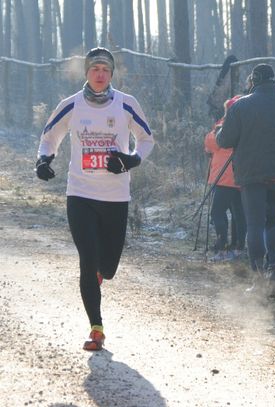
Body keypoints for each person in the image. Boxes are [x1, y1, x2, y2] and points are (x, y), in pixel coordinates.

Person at [35, 47, 154, 350]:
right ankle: (96, 329)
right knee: (87, 260)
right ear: (87, 73)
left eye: (105, 70)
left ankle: (101, 274)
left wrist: (130, 160)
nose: (100, 74)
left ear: (111, 74)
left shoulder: (126, 104)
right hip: (81, 194)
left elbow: (146, 139)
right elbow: (50, 136)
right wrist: (44, 160)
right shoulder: (71, 105)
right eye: (94, 69)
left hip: (115, 196)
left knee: (108, 268)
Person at [216, 63, 275, 298]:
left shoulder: (240, 106)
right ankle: (274, 273)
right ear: (274, 80)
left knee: (255, 224)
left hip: (251, 174)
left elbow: (224, 140)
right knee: (273, 222)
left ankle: (258, 281)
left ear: (252, 81)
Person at [204, 96, 246, 261]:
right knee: (239, 214)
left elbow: (210, 144)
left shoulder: (224, 125)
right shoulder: (247, 124)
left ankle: (222, 248)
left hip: (224, 177)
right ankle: (238, 248)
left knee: (217, 212)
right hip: (242, 176)